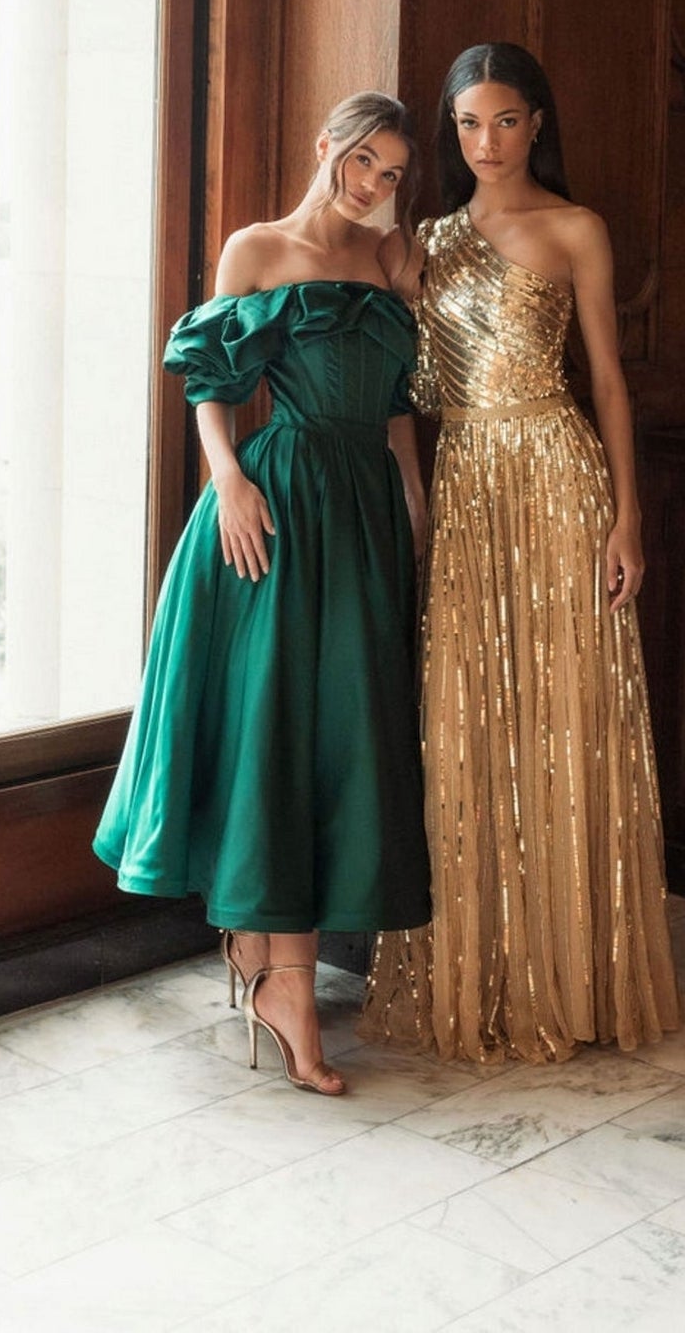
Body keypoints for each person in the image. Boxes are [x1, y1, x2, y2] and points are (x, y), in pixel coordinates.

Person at [94, 92, 431, 1097]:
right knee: (276, 726)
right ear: (327, 145)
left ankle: (263, 954)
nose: (374, 185)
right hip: (274, 509)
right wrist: (229, 479)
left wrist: (413, 503)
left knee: (337, 733)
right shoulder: (258, 248)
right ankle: (285, 983)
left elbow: (398, 405)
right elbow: (209, 381)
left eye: (392, 174)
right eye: (363, 161)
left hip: (363, 514)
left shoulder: (391, 257)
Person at [362, 44, 681, 1065]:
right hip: (463, 485)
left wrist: (628, 519)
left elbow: (609, 381)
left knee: (566, 713)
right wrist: (412, 498)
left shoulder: (576, 228)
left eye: (504, 120)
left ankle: (577, 975)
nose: (486, 141)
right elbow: (398, 387)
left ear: (538, 122)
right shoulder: (425, 241)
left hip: (556, 477)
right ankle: (483, 969)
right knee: (465, 720)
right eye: (467, 123)